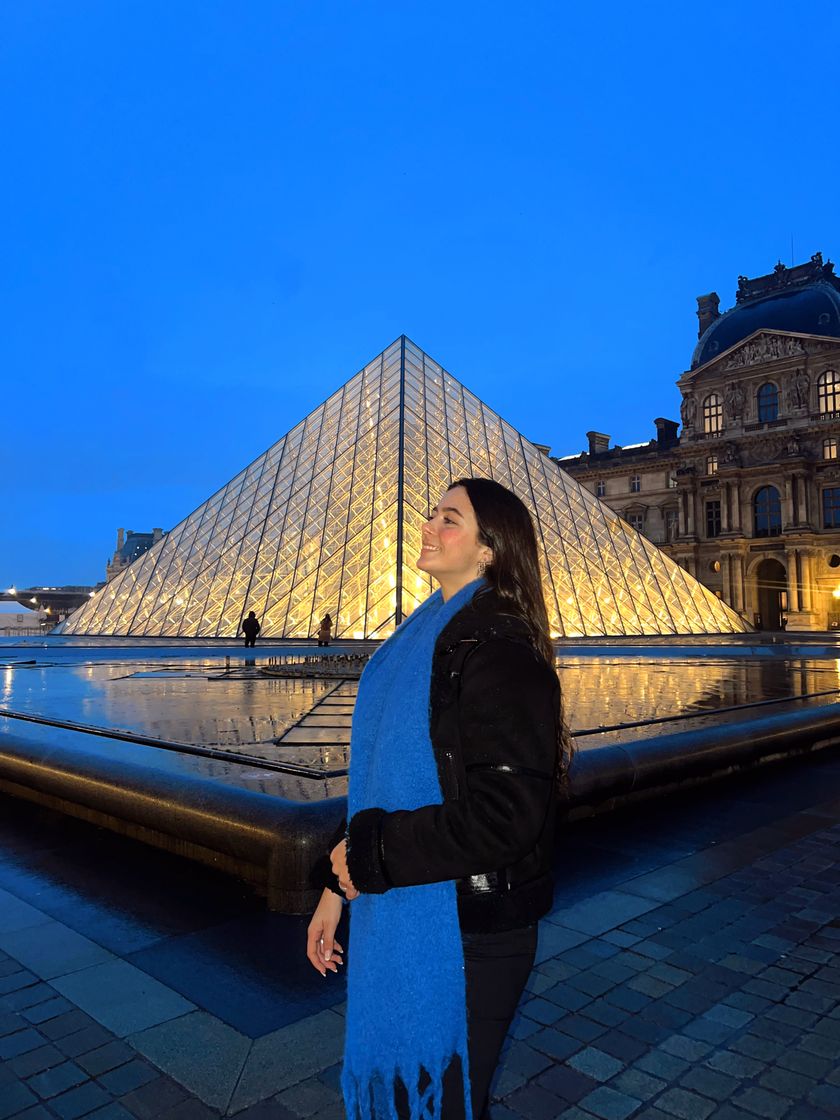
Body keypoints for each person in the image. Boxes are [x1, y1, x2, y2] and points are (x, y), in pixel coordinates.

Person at [306, 478, 572, 1120]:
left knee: (445, 1105)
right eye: (431, 514)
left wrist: (368, 859)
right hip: (418, 906)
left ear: (490, 550)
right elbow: (380, 783)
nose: (427, 526)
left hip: (474, 930)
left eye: (449, 519)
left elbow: (504, 816)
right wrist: (337, 888)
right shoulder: (420, 642)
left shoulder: (502, 652)